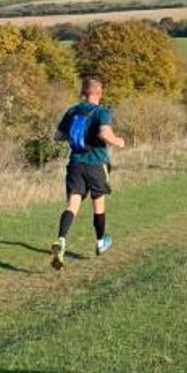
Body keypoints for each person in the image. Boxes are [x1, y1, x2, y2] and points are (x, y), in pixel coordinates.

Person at [52, 75, 126, 269]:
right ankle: (101, 242)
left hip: (75, 163)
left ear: (83, 93)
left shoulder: (72, 111)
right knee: (98, 204)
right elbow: (104, 133)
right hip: (96, 163)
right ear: (99, 93)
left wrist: (76, 135)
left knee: (72, 204)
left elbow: (57, 136)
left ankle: (61, 239)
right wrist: (118, 141)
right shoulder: (102, 112)